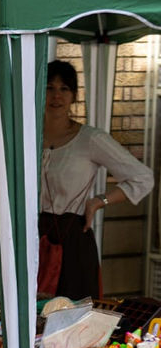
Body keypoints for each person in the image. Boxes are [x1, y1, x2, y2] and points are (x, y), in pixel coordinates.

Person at [40, 59, 153, 299]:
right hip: (33, 237)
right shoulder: (26, 135)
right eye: (49, 87)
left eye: (64, 88)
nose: (56, 96)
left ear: (74, 95)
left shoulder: (89, 138)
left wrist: (99, 201)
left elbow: (142, 177)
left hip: (73, 239)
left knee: (72, 318)